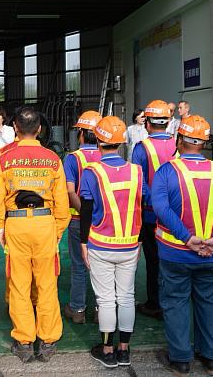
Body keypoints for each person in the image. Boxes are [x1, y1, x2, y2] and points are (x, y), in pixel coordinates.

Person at [153, 115, 213, 376]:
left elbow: (160, 208)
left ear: (180, 140)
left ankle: (181, 359)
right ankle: (210, 357)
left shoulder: (168, 171)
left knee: (176, 302)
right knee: (210, 303)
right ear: (204, 143)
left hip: (176, 253)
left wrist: (187, 238)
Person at [0, 106, 70, 364]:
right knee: (47, 284)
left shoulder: (4, 156)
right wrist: (56, 230)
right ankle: (47, 340)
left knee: (19, 284)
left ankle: (24, 340)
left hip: (16, 226)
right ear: (39, 130)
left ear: (15, 127)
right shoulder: (52, 158)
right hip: (45, 224)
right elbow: (62, 202)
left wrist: (0, 226)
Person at [79, 116, 147, 368]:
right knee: (126, 297)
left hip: (100, 244)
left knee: (106, 299)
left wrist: (83, 242)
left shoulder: (92, 172)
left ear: (97, 140)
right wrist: (139, 240)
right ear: (121, 143)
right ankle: (124, 350)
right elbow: (142, 205)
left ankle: (107, 350)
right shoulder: (137, 172)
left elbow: (86, 209)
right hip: (129, 244)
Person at [132, 100, 177, 320]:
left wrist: (156, 202)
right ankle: (172, 301)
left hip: (150, 214)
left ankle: (155, 303)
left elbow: (138, 182)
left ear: (148, 123)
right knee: (173, 258)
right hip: (177, 213)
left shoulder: (142, 148)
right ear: (168, 123)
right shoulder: (179, 145)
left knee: (153, 260)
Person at [61, 109, 102, 324]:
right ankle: (99, 309)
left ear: (82, 135)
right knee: (100, 268)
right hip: (103, 223)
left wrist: (85, 214)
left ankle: (77, 310)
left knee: (79, 266)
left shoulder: (72, 159)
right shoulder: (108, 155)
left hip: (78, 220)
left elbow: (69, 191)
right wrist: (96, 217)